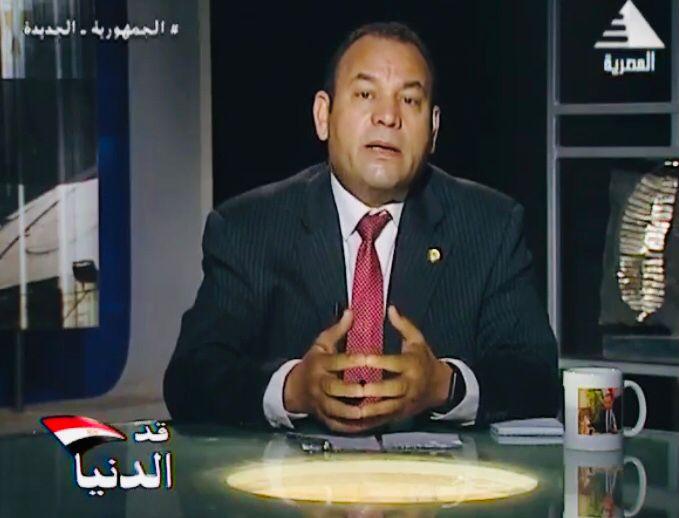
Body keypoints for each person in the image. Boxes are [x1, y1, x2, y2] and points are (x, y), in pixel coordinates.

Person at [163, 21, 559, 433]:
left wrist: (443, 385)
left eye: (410, 100)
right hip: (292, 473)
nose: (388, 117)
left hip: (437, 474)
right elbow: (192, 377)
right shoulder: (249, 229)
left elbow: (537, 377)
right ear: (323, 115)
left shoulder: (490, 228)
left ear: (433, 129)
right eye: (366, 94)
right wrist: (293, 389)